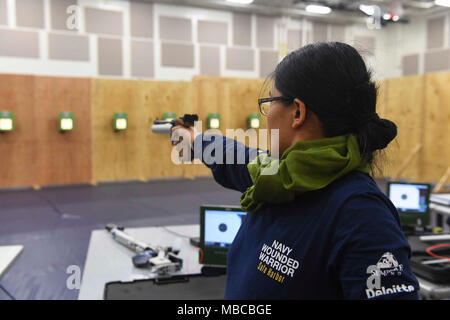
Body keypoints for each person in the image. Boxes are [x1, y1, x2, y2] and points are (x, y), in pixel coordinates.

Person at [172, 42, 419, 299]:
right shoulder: (276, 176)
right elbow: (231, 155)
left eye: (270, 101)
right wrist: (194, 139)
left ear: (298, 112)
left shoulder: (362, 213)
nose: (267, 116)